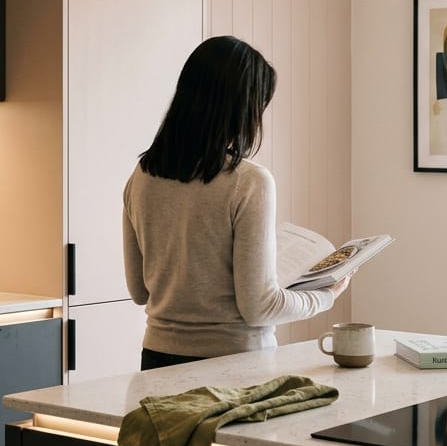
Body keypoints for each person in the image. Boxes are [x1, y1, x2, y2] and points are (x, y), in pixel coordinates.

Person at [123, 35, 349, 371]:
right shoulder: (249, 182)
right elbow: (259, 306)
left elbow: (140, 291)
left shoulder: (142, 176)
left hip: (157, 360)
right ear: (240, 109)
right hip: (234, 367)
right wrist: (327, 295)